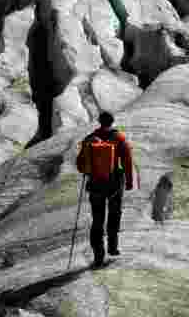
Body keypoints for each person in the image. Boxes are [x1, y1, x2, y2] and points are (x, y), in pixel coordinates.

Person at [75, 111, 134, 267]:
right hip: (115, 183)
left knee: (97, 219)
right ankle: (113, 247)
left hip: (96, 185)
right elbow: (127, 161)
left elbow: (80, 165)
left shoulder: (89, 139)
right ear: (112, 121)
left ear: (99, 121)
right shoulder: (119, 138)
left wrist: (90, 169)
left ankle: (98, 255)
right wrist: (129, 181)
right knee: (115, 213)